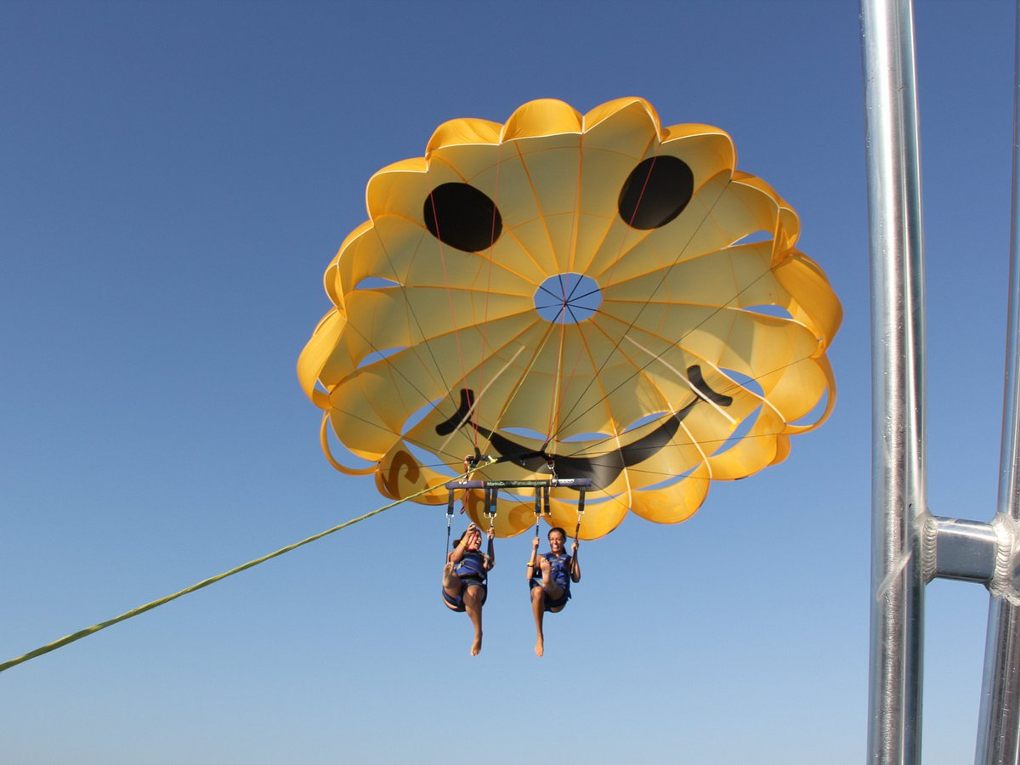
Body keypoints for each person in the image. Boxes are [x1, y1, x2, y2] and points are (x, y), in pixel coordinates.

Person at [527, 526, 580, 657]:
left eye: (558, 539)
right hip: (541, 599)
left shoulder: (568, 559)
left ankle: (547, 578)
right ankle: (539, 636)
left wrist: (575, 553)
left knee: (548, 584)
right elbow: (528, 575)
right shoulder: (541, 557)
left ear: (563, 541)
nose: (554, 542)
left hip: (558, 597)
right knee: (538, 590)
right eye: (551, 539)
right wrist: (534, 549)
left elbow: (576, 578)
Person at [442, 522, 494, 656]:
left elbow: (490, 564)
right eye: (474, 536)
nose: (478, 538)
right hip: (456, 585)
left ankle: (478, 634)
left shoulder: (482, 556)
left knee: (472, 592)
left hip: (474, 585)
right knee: (451, 576)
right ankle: (448, 577)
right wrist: (467, 537)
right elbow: (454, 558)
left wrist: (490, 541)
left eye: (479, 537)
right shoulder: (457, 552)